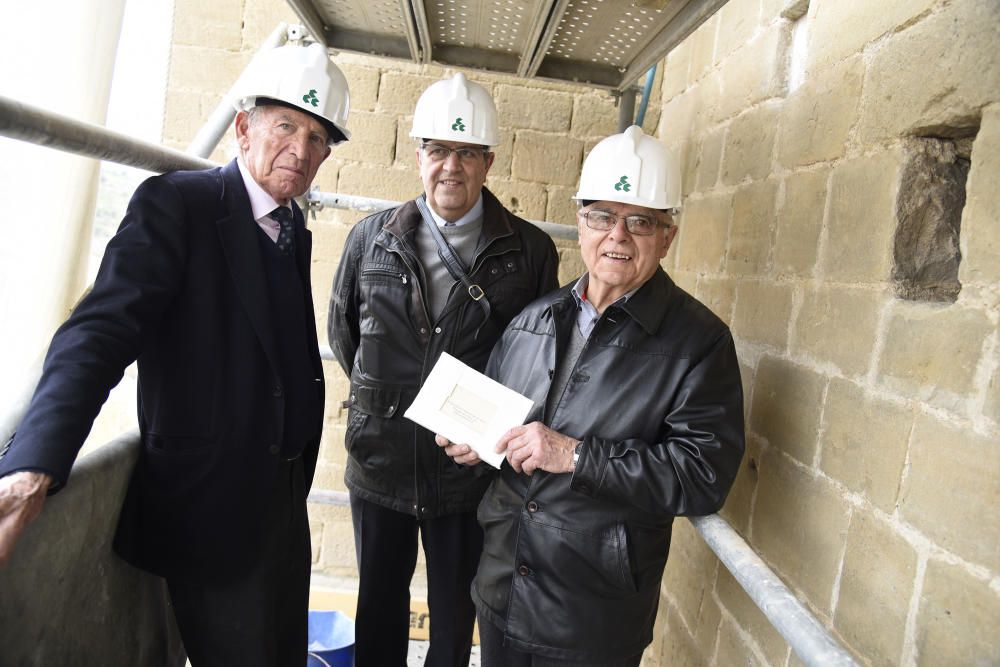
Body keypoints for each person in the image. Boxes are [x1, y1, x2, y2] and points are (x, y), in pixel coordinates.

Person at [0, 42, 350, 665]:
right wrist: (34, 463)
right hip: (211, 509)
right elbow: (98, 334)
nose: (302, 150)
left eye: (320, 138)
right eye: (287, 126)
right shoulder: (179, 206)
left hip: (278, 506)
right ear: (244, 128)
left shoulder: (291, 226)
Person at [437, 125, 746, 666]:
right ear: (581, 224)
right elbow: (507, 430)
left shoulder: (699, 341)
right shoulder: (534, 319)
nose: (617, 236)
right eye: (602, 215)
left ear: (667, 235)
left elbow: (702, 476)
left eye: (640, 221)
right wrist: (475, 444)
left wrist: (574, 454)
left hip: (592, 612)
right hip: (503, 585)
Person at [328, 71, 559, 666]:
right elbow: (345, 336)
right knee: (378, 606)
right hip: (381, 461)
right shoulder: (369, 239)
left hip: (470, 475)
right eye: (438, 150)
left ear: (488, 161)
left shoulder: (529, 252)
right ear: (417, 155)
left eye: (466, 152)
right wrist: (386, 404)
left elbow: (539, 362)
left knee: (458, 613)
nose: (450, 167)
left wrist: (490, 431)